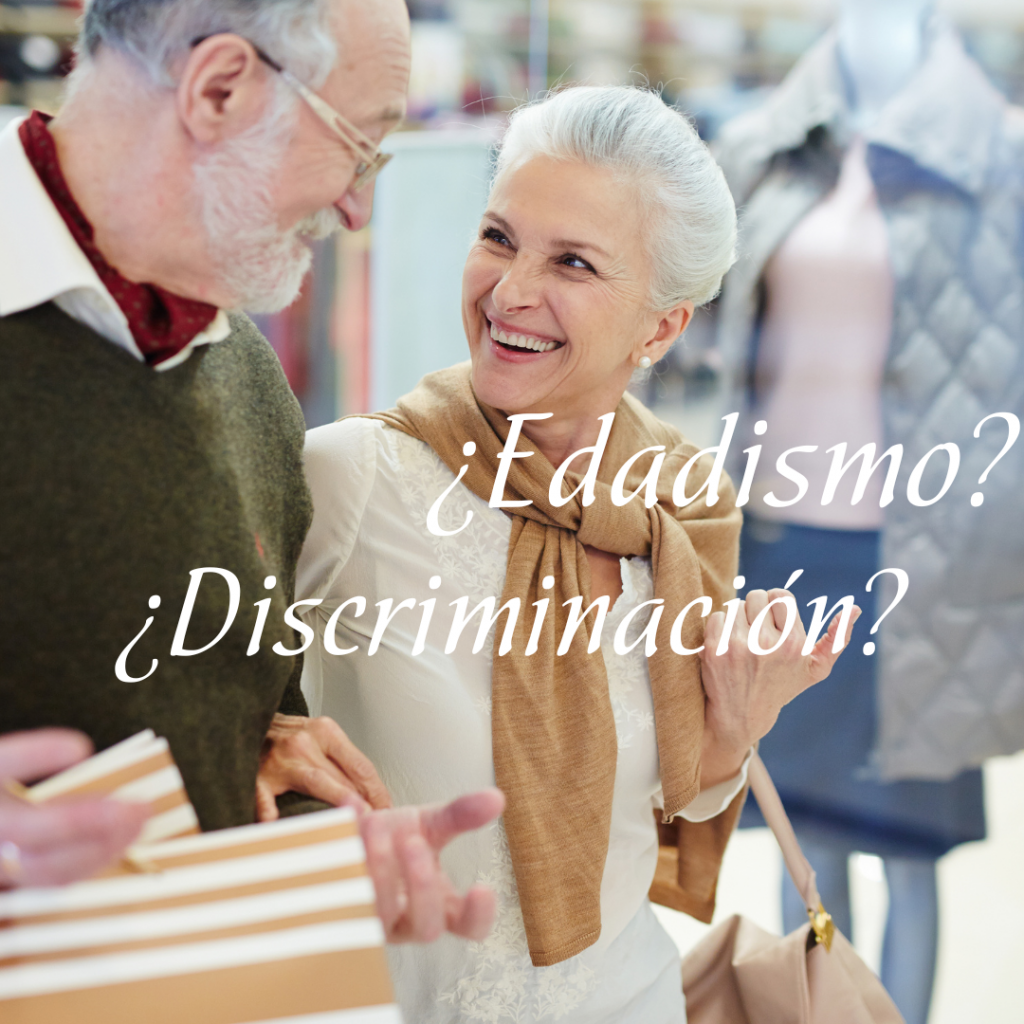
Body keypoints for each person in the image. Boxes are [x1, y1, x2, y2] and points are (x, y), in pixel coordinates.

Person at [297, 85, 858, 1024]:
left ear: (663, 326)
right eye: (500, 237)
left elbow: (676, 796)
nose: (512, 291)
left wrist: (739, 719)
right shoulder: (352, 479)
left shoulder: (681, 506)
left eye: (573, 263)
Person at [0, 0, 502, 943]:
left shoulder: (244, 373)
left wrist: (304, 826)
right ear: (219, 88)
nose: (359, 208)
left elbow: (249, 708)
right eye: (361, 147)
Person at [710, 6, 1024, 1021]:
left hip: (924, 558)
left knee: (908, 845)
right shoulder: (768, 150)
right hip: (781, 544)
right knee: (804, 833)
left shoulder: (999, 158)